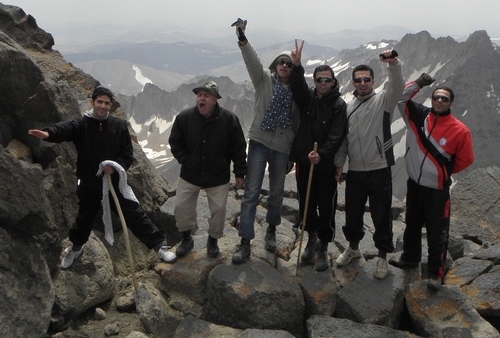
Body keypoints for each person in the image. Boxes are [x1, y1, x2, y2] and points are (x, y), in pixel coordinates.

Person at [28, 86, 174, 269]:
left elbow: (127, 154)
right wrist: (48, 133)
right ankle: (76, 248)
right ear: (92, 102)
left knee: (133, 213)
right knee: (84, 217)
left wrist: (115, 167)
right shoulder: (82, 124)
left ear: (110, 105)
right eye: (100, 102)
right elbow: (65, 129)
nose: (103, 106)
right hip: (89, 182)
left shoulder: (118, 126)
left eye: (106, 103)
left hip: (114, 183)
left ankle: (159, 247)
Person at [392, 76, 474, 285]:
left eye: (444, 99)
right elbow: (401, 98)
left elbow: (466, 160)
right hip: (415, 184)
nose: (439, 101)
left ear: (451, 104)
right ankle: (410, 259)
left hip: (437, 189)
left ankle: (435, 274)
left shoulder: (460, 130)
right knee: (412, 224)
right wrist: (418, 83)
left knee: (437, 232)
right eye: (436, 97)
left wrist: (442, 173)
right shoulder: (419, 115)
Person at [230, 18, 299, 264]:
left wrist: (293, 152)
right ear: (275, 65)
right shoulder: (263, 81)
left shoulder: (297, 91)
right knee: (251, 193)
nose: (284, 66)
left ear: (292, 69)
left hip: (282, 147)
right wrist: (242, 39)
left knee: (277, 194)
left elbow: (298, 123)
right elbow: (252, 61)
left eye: (288, 64)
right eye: (281, 62)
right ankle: (245, 241)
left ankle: (271, 229)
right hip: (259, 142)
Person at [334, 50, 405, 280]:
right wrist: (339, 164)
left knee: (381, 215)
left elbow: (398, 85)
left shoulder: (384, 100)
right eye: (358, 80)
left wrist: (393, 64)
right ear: (353, 82)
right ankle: (354, 248)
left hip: (379, 168)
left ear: (373, 81)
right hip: (355, 171)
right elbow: (344, 139)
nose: (362, 83)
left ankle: (382, 256)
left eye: (366, 79)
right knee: (352, 214)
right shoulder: (348, 106)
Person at [168, 80, 247, 259]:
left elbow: (239, 148)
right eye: (199, 95)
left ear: (215, 100)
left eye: (207, 95)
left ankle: (213, 239)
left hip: (217, 176)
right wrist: (185, 160)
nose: (201, 98)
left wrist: (240, 173)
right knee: (181, 207)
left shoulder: (229, 119)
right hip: (190, 174)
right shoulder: (184, 117)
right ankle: (186, 238)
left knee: (219, 209)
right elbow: (175, 141)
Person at [288, 39, 347, 271]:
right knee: (306, 203)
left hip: (325, 165)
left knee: (327, 205)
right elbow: (297, 87)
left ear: (333, 82)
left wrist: (320, 155)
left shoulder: (339, 105)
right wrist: (297, 65)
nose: (323, 83)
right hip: (305, 162)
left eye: (327, 80)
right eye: (319, 79)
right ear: (315, 81)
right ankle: (311, 237)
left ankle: (323, 245)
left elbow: (337, 135)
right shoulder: (308, 99)